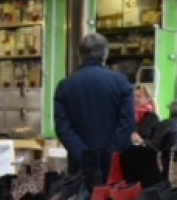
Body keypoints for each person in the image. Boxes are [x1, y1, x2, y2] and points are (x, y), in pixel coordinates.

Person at [54, 33, 134, 186]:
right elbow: (127, 123)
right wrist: (112, 152)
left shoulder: (65, 86)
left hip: (78, 163)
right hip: (112, 166)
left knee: (79, 198)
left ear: (80, 54)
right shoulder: (121, 83)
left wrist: (83, 155)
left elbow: (63, 127)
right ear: (105, 54)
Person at [148, 99, 177, 180]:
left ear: (171, 111)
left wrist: (143, 141)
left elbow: (154, 145)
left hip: (168, 163)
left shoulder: (165, 124)